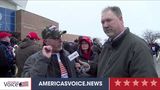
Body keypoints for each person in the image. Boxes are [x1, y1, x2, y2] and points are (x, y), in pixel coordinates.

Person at [76, 6, 158, 77]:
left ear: (121, 19)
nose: (105, 25)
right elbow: (105, 70)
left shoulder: (138, 47)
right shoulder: (106, 46)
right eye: (102, 22)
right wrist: (90, 67)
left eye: (109, 20)